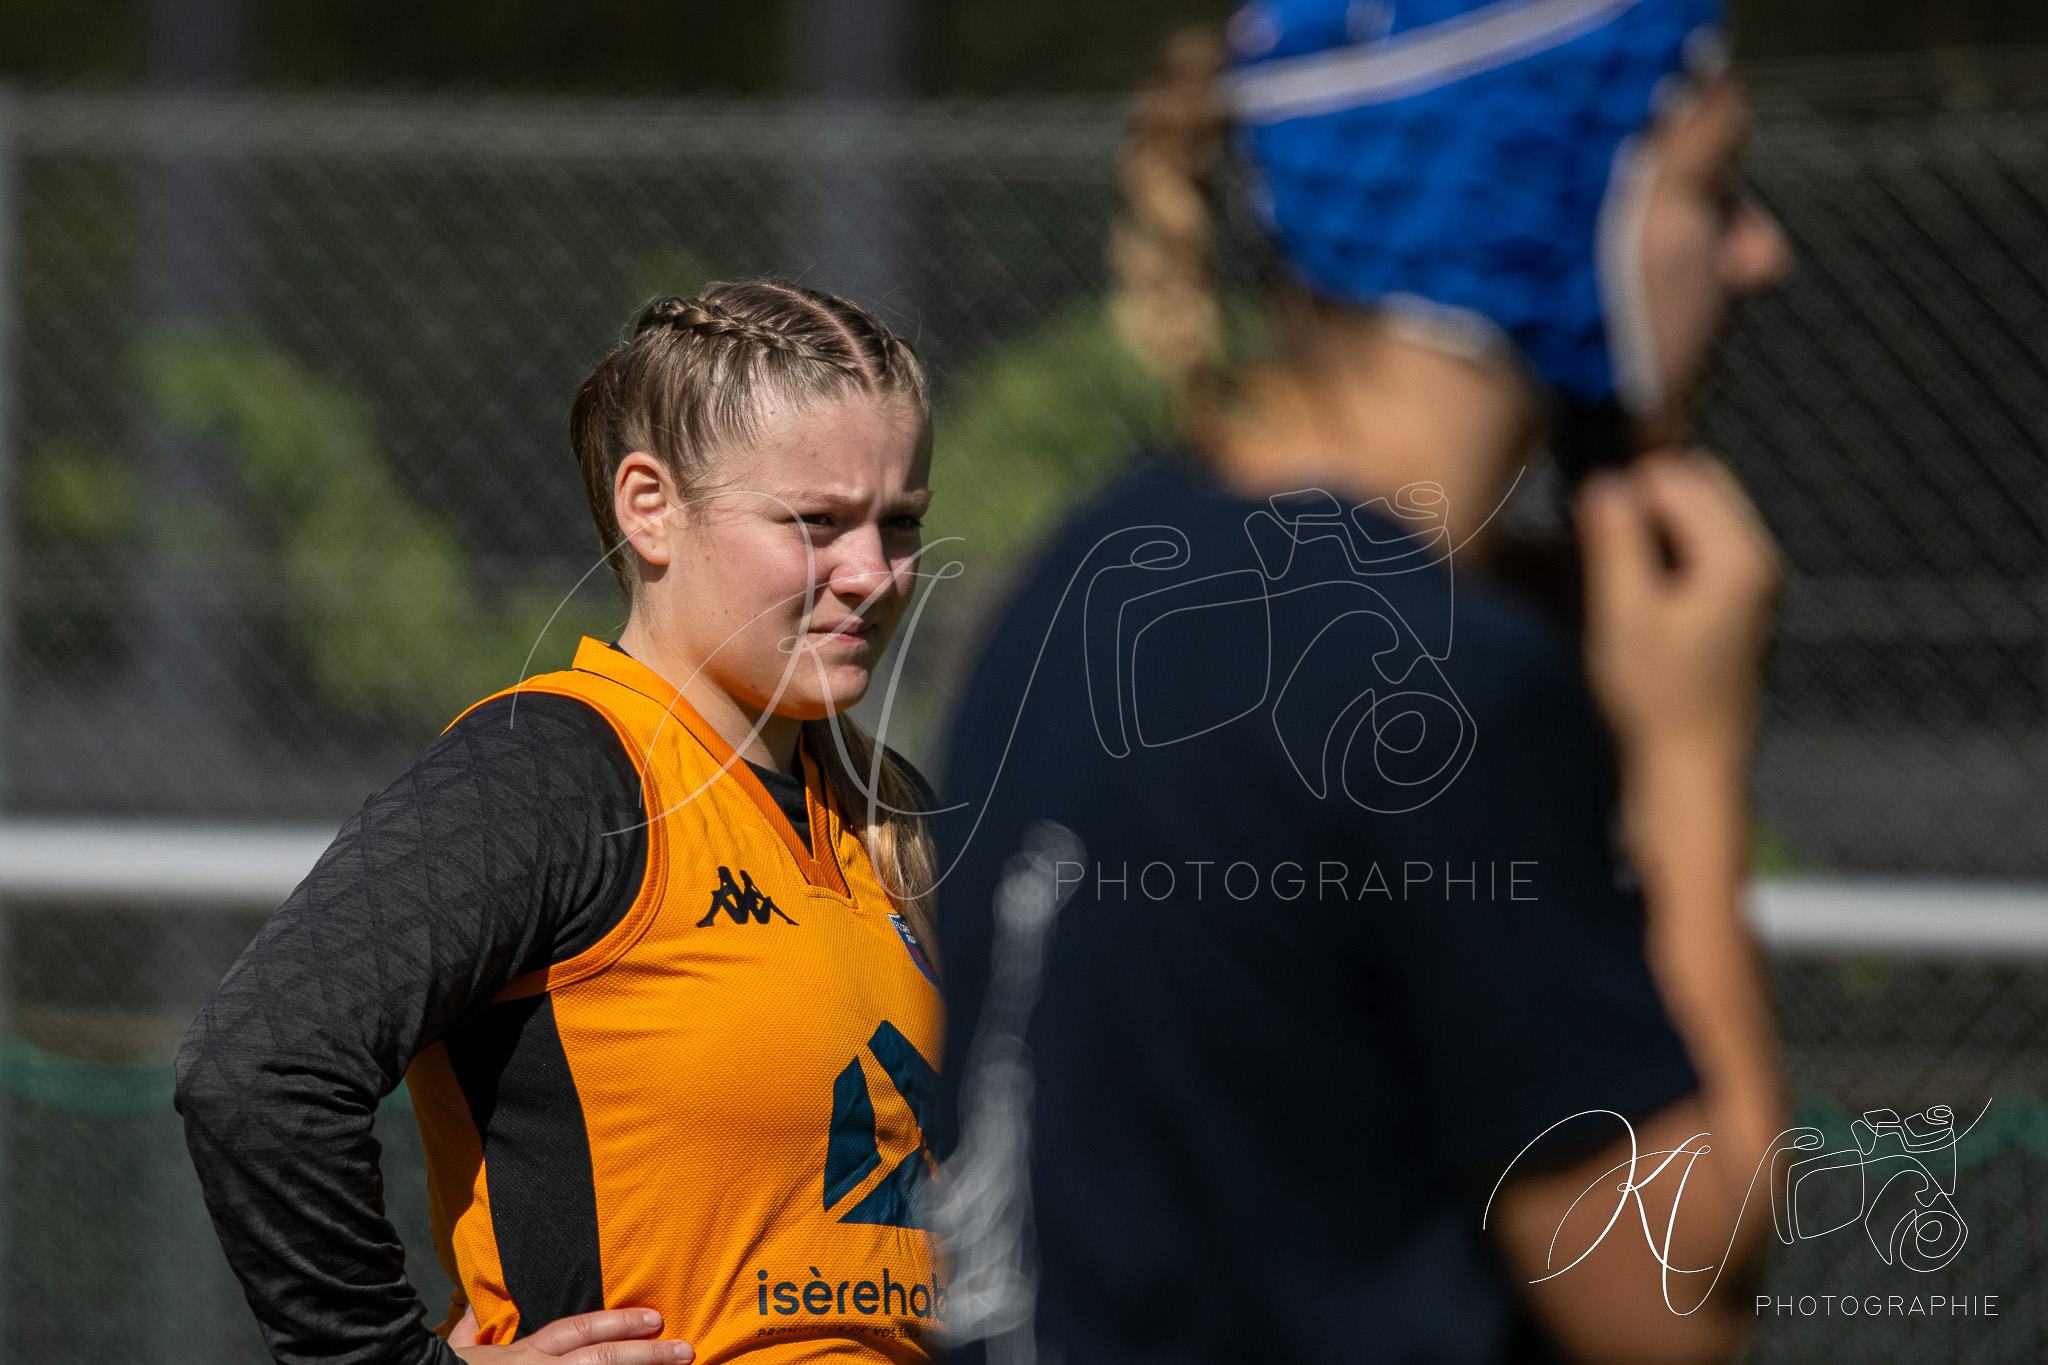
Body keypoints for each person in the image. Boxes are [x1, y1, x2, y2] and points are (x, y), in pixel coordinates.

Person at [930, 2, 1791, 1362]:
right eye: (1710, 189)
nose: (1757, 252)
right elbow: (1663, 1305)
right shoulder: (1439, 679)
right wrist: (1688, 759)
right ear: (1552, 198)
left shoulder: (1100, 562)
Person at [176, 281, 948, 1365]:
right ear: (650, 505)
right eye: (816, 522)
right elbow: (254, 1070)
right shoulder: (554, 773)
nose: (873, 573)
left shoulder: (894, 813)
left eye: (900, 522)